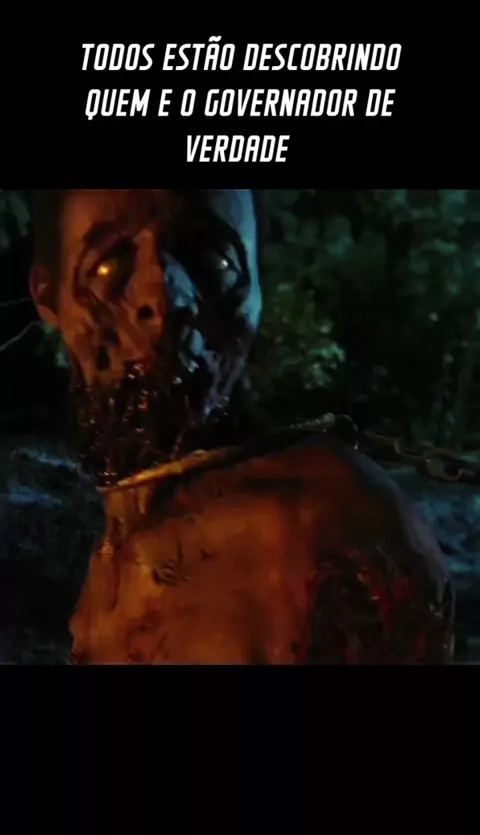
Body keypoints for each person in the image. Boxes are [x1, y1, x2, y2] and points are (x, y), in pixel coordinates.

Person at [30, 189, 454, 664]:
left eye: (213, 262)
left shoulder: (327, 526)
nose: (163, 298)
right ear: (48, 295)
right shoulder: (129, 524)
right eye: (109, 267)